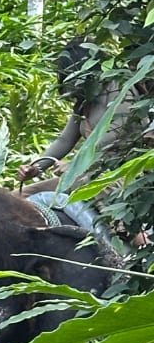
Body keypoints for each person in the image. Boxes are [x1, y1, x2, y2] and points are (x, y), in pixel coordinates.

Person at [17, 37, 148, 246]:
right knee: (17, 197)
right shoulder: (84, 102)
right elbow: (64, 140)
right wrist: (36, 167)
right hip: (85, 173)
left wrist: (73, 169)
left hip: (123, 173)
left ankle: (138, 241)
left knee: (88, 183)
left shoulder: (121, 92)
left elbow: (104, 145)